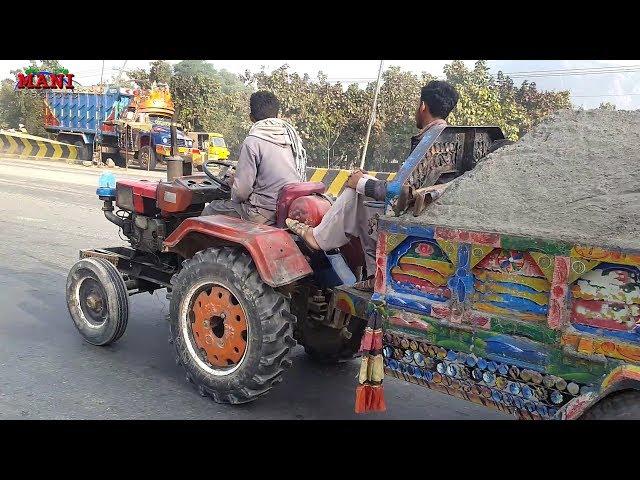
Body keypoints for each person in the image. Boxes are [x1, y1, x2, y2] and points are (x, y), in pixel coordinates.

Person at [286, 80, 460, 291]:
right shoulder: (450, 140)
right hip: (426, 211)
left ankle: (324, 241)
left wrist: (360, 183)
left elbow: (401, 192)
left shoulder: (430, 140)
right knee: (360, 185)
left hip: (410, 216)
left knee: (356, 190)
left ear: (423, 106)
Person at [201, 90, 306, 225]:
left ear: (251, 117)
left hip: (262, 213)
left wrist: (235, 184)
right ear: (277, 115)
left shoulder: (253, 141)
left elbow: (241, 194)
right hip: (287, 207)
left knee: (210, 210)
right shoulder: (291, 139)